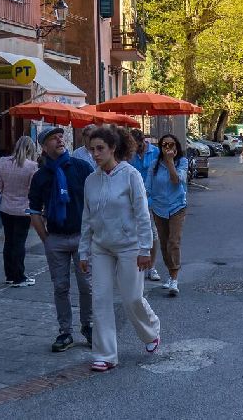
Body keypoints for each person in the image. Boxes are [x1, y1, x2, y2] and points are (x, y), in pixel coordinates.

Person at [78, 125, 161, 372]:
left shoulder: (130, 175)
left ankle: (151, 331)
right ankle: (105, 354)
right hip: (101, 247)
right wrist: (84, 251)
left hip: (129, 246)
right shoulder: (90, 180)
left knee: (132, 297)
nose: (95, 154)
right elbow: (87, 218)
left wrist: (145, 248)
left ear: (113, 148)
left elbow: (142, 214)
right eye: (92, 149)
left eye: (100, 148)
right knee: (100, 300)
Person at [28, 127, 95, 352]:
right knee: (61, 287)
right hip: (55, 238)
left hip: (81, 237)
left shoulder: (81, 167)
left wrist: (92, 233)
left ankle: (89, 326)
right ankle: (65, 332)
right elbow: (34, 210)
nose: (59, 139)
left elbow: (93, 201)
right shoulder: (41, 176)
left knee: (87, 285)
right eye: (53, 138)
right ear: (44, 146)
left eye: (60, 136)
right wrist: (45, 238)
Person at [0, 135, 39, 287]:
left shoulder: (3, 162)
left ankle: (10, 275)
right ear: (30, 149)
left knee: (9, 242)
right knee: (19, 243)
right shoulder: (32, 166)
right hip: (23, 209)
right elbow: (33, 190)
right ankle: (20, 276)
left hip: (6, 208)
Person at [146, 134, 188, 297]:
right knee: (164, 244)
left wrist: (170, 162)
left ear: (177, 146)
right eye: (165, 145)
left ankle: (174, 278)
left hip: (177, 207)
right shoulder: (154, 166)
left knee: (173, 242)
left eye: (171, 144)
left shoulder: (182, 162)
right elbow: (148, 188)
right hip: (159, 208)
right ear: (161, 148)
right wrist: (144, 204)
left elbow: (177, 181)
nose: (168, 148)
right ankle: (170, 274)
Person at [128, 129, 162, 282]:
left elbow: (160, 175)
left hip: (151, 199)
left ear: (143, 142)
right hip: (132, 199)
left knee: (152, 233)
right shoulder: (129, 154)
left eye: (137, 145)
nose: (135, 149)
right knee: (133, 232)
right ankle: (135, 264)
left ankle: (151, 267)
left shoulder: (155, 152)